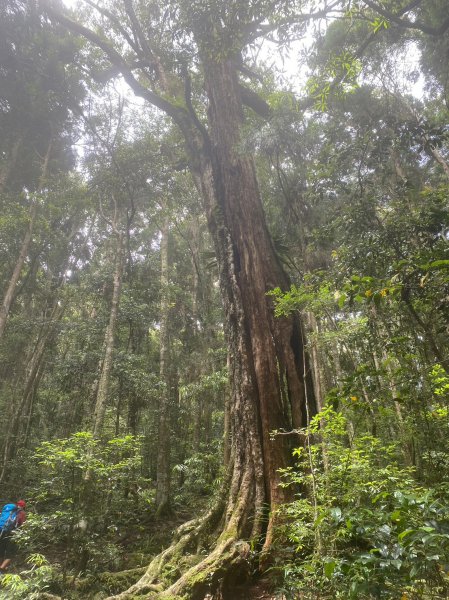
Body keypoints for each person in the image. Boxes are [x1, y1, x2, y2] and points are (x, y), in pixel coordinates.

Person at [0, 500, 26, 574]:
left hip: (2, 531)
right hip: (12, 534)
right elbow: (22, 524)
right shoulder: (22, 513)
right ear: (24, 506)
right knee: (10, 553)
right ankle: (1, 569)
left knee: (1, 550)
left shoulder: (8, 511)